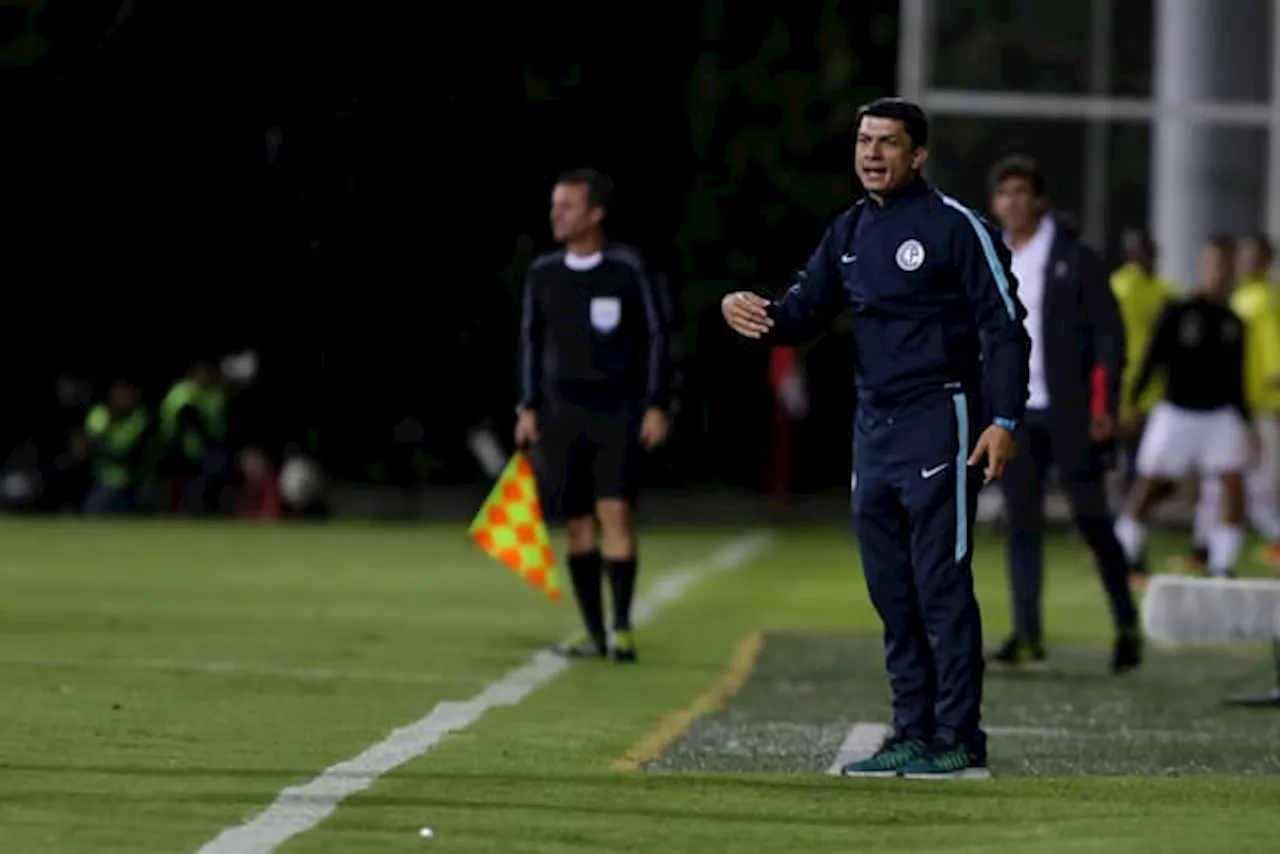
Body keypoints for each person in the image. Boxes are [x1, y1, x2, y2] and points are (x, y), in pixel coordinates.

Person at [722, 97, 1030, 779]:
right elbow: (801, 314)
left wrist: (1003, 419)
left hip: (940, 419)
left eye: (887, 143)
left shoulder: (956, 228)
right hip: (874, 429)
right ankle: (910, 727)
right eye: (864, 141)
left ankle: (959, 735)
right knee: (891, 589)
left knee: (940, 585)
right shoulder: (850, 231)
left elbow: (1006, 325)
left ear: (916, 155)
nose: (871, 154)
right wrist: (749, 312)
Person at [982, 156, 1141, 674]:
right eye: (1004, 193)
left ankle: (1124, 622)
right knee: (1021, 524)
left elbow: (1108, 336)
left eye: (1022, 192)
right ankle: (1028, 633)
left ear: (1040, 200)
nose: (1013, 202)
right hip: (1016, 415)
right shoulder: (990, 257)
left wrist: (1105, 404)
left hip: (1070, 411)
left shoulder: (1077, 257)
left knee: (1091, 519)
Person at [515, 168, 671, 663]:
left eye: (568, 206)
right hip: (562, 416)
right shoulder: (544, 274)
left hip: (617, 412)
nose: (557, 215)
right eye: (554, 206)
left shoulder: (626, 269)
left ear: (595, 213)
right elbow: (530, 345)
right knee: (577, 526)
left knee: (615, 513)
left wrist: (657, 403)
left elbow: (656, 337)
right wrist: (527, 407)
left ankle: (622, 629)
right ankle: (592, 629)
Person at [1114, 236, 1254, 579]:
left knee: (1233, 484)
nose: (1218, 273)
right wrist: (1131, 402)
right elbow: (1152, 360)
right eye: (1212, 264)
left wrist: (1247, 424)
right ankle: (1125, 553)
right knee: (1152, 486)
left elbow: (1236, 380)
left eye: (1224, 266)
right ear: (1201, 267)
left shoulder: (1233, 321)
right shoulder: (1177, 312)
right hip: (1176, 412)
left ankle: (1221, 564)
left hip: (1220, 415)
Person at [1185, 233, 1280, 570]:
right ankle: (1205, 550)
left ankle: (1222, 549)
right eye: (1243, 256)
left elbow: (1271, 357)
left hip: (1255, 405)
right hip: (1235, 406)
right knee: (1223, 482)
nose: (1245, 262)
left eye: (1253, 256)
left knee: (1249, 484)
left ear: (1266, 261)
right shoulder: (1247, 296)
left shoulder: (1258, 300)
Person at [1111, 228, 1181, 489]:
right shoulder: (1122, 288)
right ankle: (1126, 512)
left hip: (1157, 385)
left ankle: (1132, 511)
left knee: (1148, 456)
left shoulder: (1164, 290)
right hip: (1132, 383)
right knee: (1134, 455)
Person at [82, 380, 152, 515]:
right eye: (119, 396)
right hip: (100, 482)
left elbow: (132, 452)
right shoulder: (100, 414)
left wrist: (108, 450)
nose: (123, 401)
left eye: (127, 397)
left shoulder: (138, 419)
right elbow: (91, 445)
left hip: (131, 484)